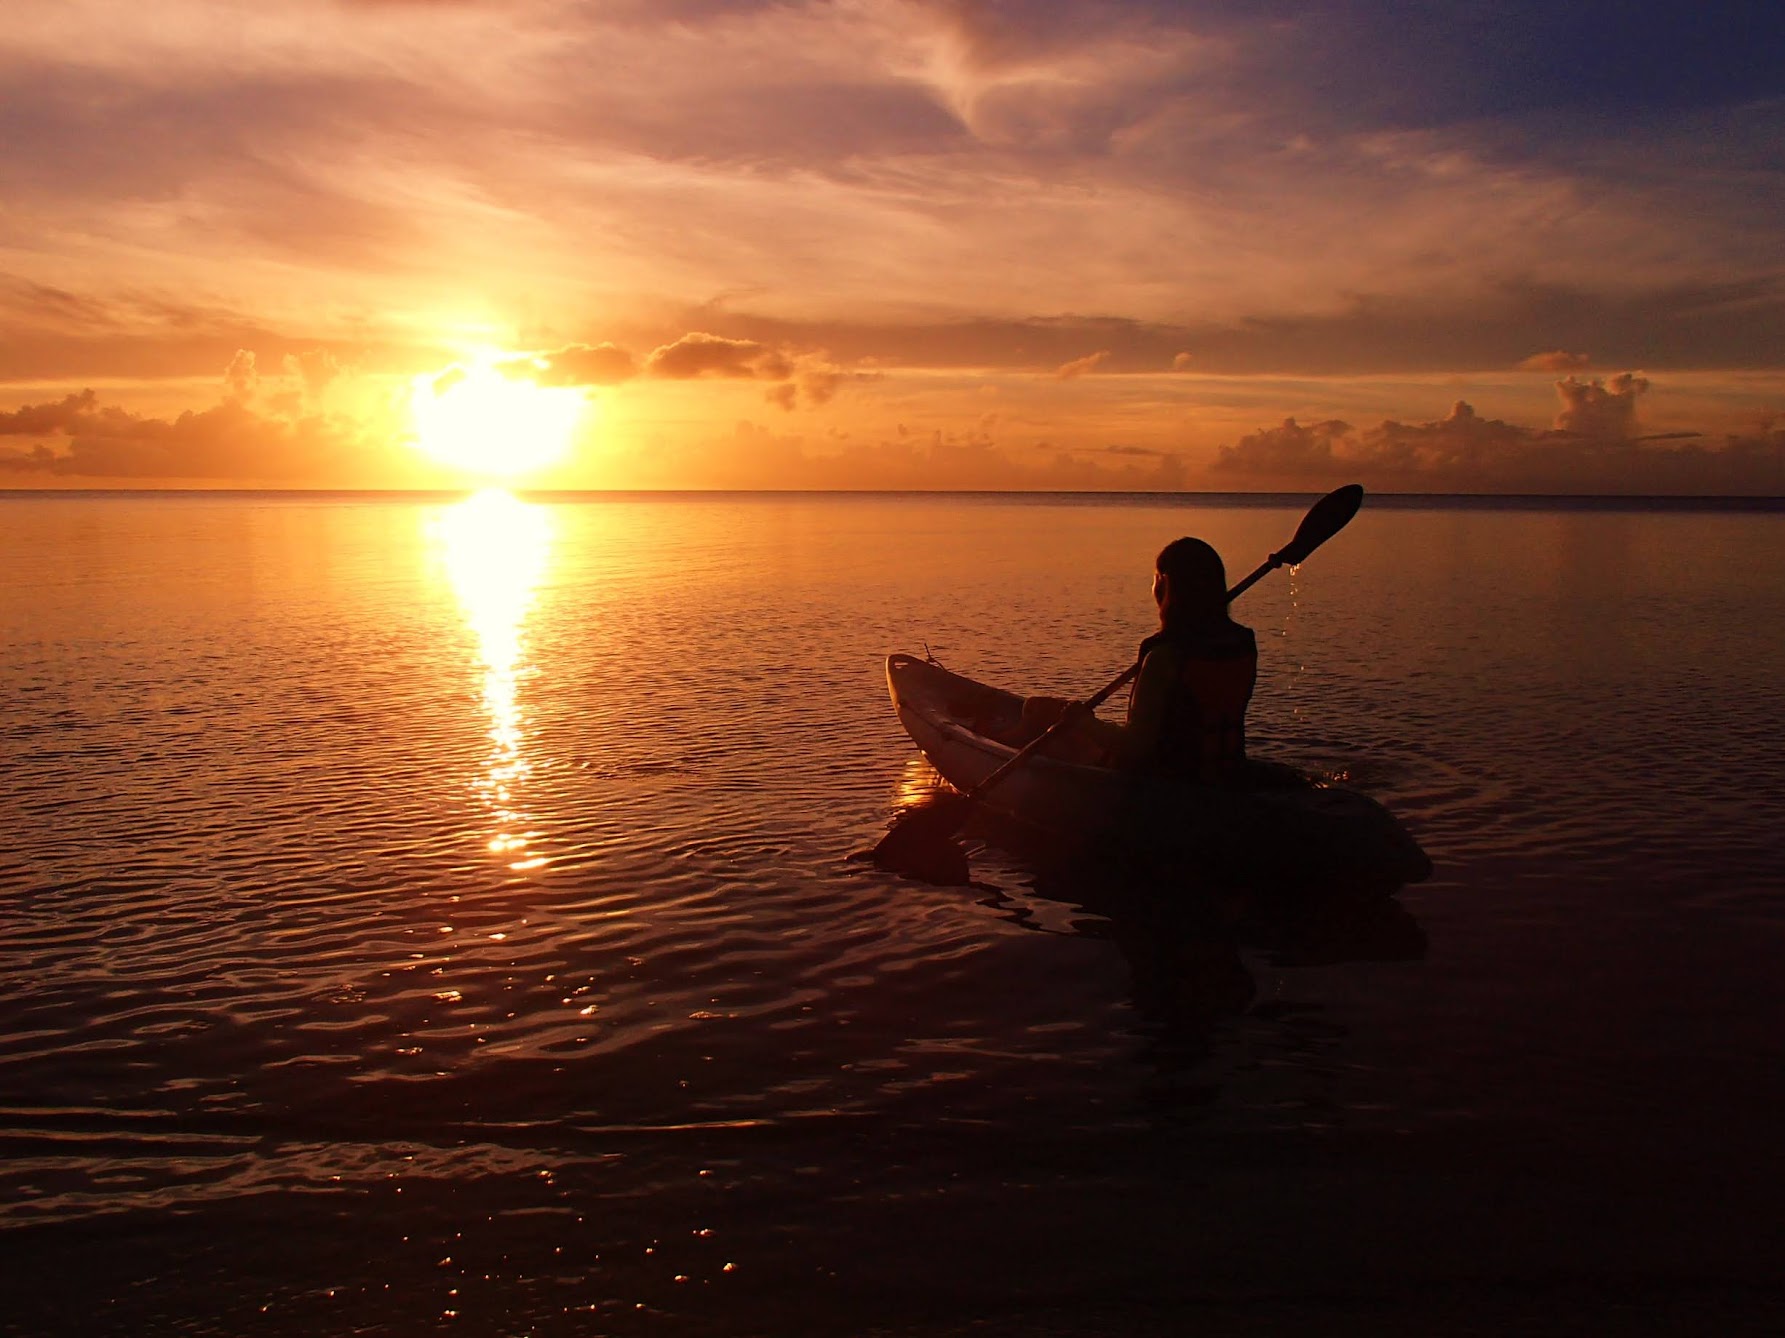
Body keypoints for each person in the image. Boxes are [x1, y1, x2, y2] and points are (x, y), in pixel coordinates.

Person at [1019, 537, 1257, 779]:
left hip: (1165, 783)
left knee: (1035, 710)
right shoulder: (1242, 645)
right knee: (1036, 708)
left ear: (1166, 585)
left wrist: (1083, 722)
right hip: (1224, 773)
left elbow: (1136, 747)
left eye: (1155, 579)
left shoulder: (1164, 658)